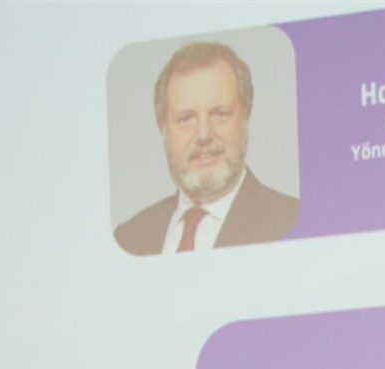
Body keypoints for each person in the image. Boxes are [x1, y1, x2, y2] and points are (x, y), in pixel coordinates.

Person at [115, 41, 301, 255]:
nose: (203, 135)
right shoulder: (128, 239)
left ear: (245, 118)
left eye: (220, 114)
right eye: (186, 118)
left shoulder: (292, 221)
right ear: (162, 127)